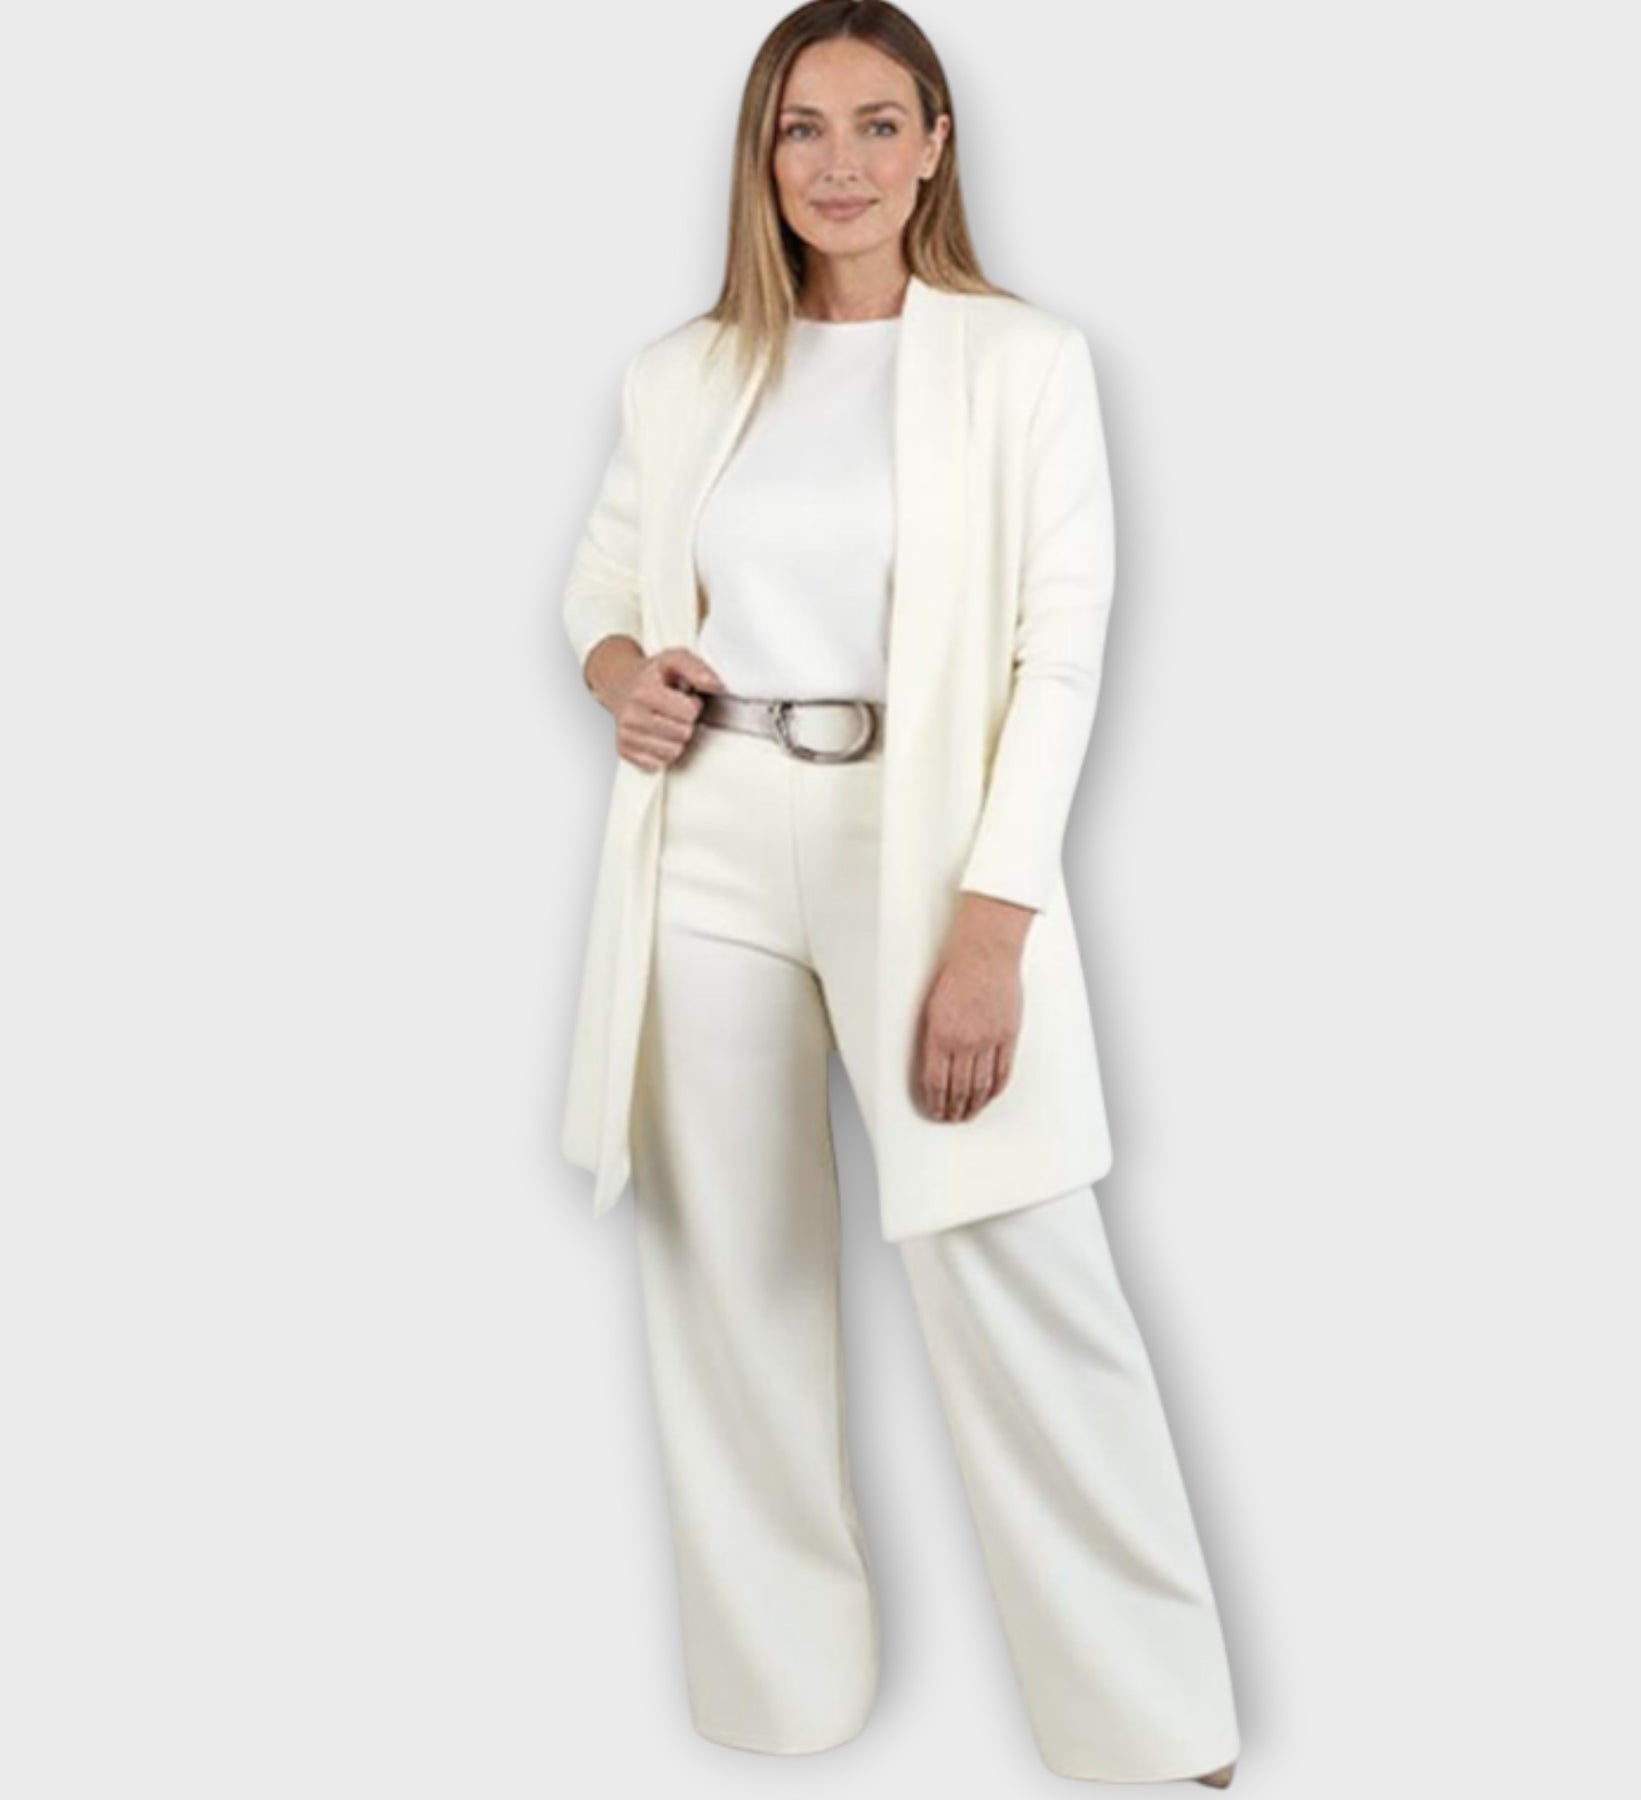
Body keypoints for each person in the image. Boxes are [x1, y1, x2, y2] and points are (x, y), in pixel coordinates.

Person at [558, 1, 1241, 1784]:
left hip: (922, 853)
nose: (840, 164)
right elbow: (602, 590)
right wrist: (626, 673)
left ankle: (1152, 1728)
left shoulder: (1023, 362)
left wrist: (993, 930)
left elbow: (1058, 657)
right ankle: (780, 1707)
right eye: (803, 129)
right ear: (760, 156)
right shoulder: (685, 371)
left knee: (1016, 1259)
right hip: (708, 842)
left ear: (937, 144)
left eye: (878, 125)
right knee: (733, 1286)